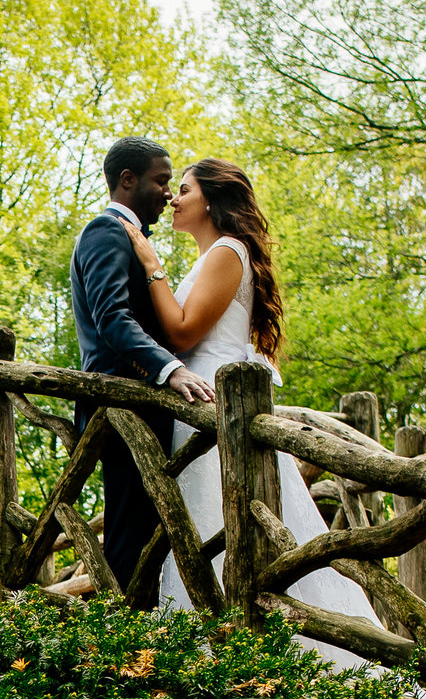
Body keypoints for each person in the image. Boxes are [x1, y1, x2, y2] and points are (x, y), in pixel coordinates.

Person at [122, 157, 382, 668]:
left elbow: (181, 332)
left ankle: (250, 652)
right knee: (200, 528)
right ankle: (216, 653)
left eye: (185, 189)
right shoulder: (214, 256)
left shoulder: (226, 251)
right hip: (197, 410)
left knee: (225, 524)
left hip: (217, 409)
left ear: (213, 201)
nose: (174, 198)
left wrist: (152, 266)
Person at [69, 137, 217, 595]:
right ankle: (122, 647)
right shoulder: (106, 231)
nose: (168, 193)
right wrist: (170, 370)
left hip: (140, 407)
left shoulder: (130, 237)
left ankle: (141, 644)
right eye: (161, 181)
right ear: (127, 180)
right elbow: (111, 319)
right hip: (121, 407)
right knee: (131, 533)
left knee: (148, 527)